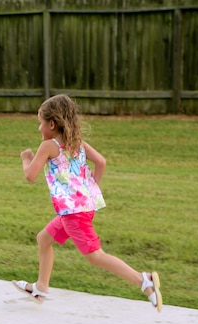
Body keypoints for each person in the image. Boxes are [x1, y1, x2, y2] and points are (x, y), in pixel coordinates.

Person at [15, 94, 163, 312]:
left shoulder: (48, 146)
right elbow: (101, 162)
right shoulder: (78, 144)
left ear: (52, 124)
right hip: (79, 210)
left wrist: (26, 158)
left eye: (41, 123)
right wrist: (91, 191)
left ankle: (144, 280)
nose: (39, 128)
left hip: (74, 214)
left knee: (95, 256)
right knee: (43, 239)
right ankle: (41, 287)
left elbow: (30, 175)